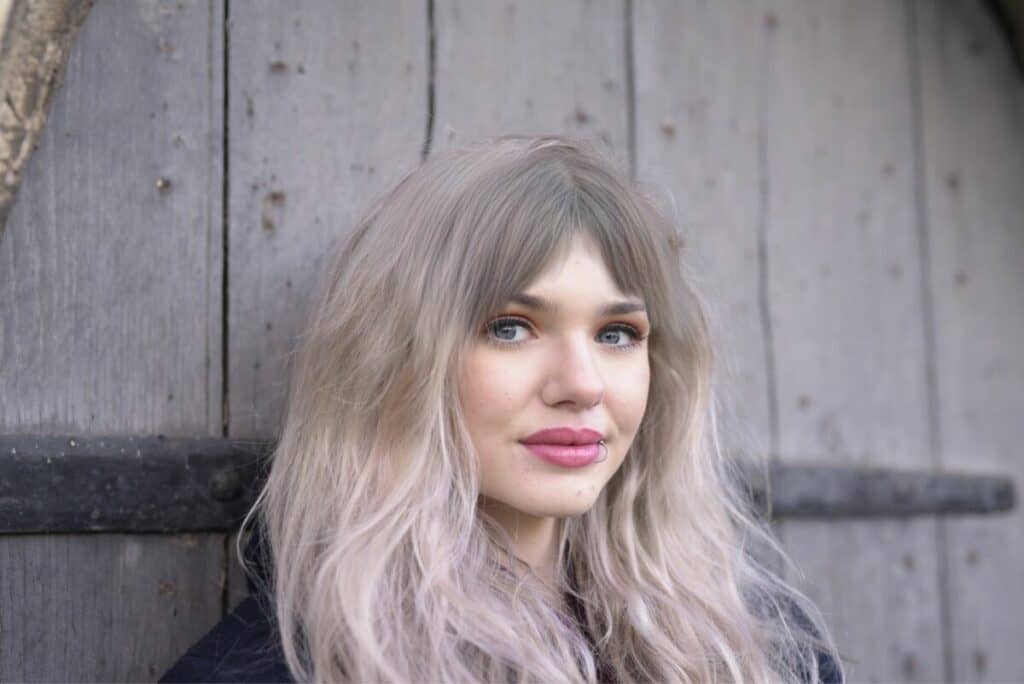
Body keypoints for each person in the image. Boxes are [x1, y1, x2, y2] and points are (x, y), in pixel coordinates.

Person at [161, 134, 844, 683]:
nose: (582, 384)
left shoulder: (760, 657)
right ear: (397, 360)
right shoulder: (271, 671)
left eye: (617, 334)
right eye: (510, 327)